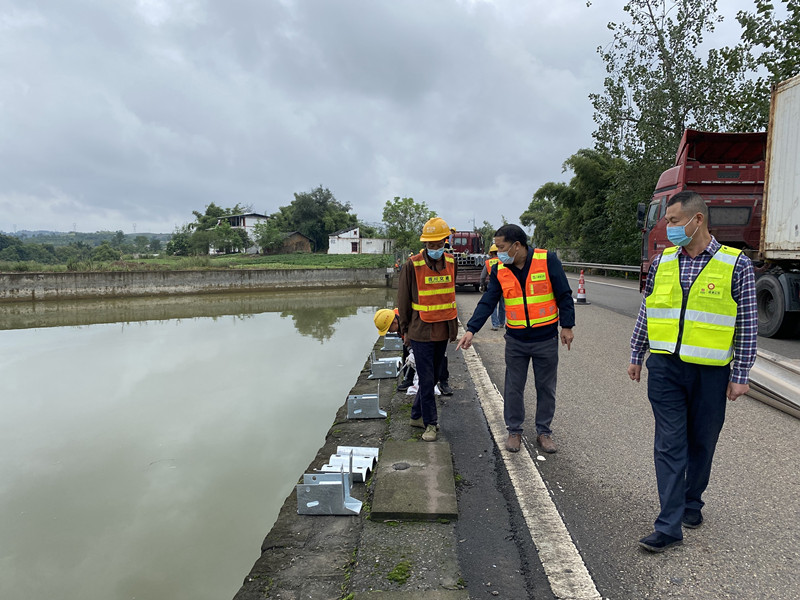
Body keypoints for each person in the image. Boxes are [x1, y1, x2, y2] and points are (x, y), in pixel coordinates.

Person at [628, 191, 757, 553]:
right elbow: (648, 311)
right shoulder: (662, 261)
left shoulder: (736, 264)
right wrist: (636, 352)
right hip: (666, 367)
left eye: (672, 221)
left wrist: (741, 374)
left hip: (711, 372)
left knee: (702, 442)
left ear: (696, 220)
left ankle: (692, 502)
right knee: (669, 444)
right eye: (667, 221)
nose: (668, 228)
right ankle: (668, 525)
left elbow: (746, 324)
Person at [456, 224, 574, 453]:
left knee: (546, 388)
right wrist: (471, 329)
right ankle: (514, 431)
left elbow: (564, 294)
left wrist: (567, 326)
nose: (498, 252)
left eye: (501, 247)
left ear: (517, 245)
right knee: (513, 387)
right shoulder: (500, 268)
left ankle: (544, 432)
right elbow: (488, 301)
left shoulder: (547, 260)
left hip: (545, 339)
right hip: (516, 340)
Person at [397, 217, 459, 442]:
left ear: (445, 241)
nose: (433, 248)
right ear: (424, 244)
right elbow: (403, 300)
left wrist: (453, 329)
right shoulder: (411, 265)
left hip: (443, 329)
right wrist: (405, 331)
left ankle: (415, 414)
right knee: (425, 377)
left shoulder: (452, 263)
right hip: (420, 330)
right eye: (429, 244)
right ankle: (430, 424)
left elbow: (449, 294)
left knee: (431, 377)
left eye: (437, 244)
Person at [481, 243, 505, 330]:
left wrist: (482, 285)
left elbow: (483, 276)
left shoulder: (488, 262)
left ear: (491, 253)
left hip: (493, 286)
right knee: (502, 305)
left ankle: (495, 325)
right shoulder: (503, 261)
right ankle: (502, 323)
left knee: (493, 306)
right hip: (503, 285)